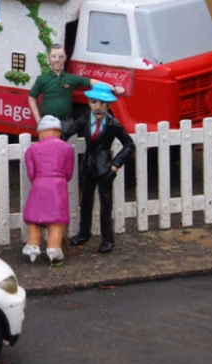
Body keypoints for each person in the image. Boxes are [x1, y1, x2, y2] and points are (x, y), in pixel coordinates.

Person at [65, 83, 135, 254]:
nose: (98, 107)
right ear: (89, 102)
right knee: (86, 202)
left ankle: (107, 239)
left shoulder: (113, 124)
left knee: (105, 205)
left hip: (105, 168)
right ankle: (83, 233)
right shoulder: (84, 118)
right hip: (88, 166)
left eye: (103, 103)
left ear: (109, 105)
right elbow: (68, 132)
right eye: (94, 102)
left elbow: (129, 145)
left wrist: (115, 165)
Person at [27, 43, 124, 139]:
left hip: (66, 123)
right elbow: (31, 97)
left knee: (70, 149)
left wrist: (113, 88)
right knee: (48, 150)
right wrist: (38, 120)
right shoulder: (42, 79)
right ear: (49, 58)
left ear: (65, 58)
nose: (57, 60)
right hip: (48, 123)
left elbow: (90, 82)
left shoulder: (70, 79)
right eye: (53, 56)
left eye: (60, 57)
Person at [22, 115, 75, 266]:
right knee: (57, 221)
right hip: (58, 187)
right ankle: (54, 249)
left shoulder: (32, 150)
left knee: (34, 219)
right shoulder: (67, 149)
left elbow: (31, 174)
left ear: (41, 133)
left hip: (39, 184)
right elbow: (68, 173)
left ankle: (33, 245)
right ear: (57, 132)